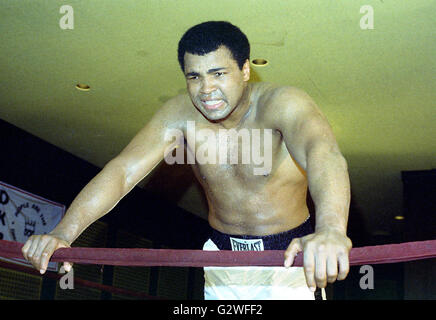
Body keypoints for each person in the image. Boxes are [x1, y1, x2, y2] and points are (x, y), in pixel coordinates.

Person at [22, 21, 352, 300]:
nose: (206, 88)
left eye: (218, 73)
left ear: (245, 70)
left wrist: (332, 230)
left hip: (287, 255)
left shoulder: (283, 104)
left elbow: (323, 155)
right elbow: (123, 171)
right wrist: (63, 233)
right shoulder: (179, 114)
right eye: (194, 77)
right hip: (220, 255)